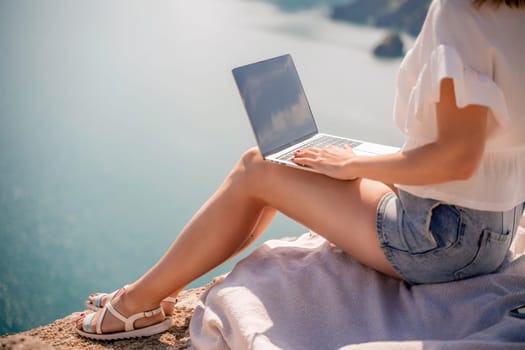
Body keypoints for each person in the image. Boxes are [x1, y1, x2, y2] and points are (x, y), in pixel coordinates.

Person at [76, 0, 525, 340]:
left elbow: (458, 155)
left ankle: (137, 306)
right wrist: (365, 159)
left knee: (257, 167)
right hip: (494, 230)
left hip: (439, 242)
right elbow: (484, 150)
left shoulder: (460, 14)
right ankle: (145, 289)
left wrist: (354, 163)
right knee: (307, 160)